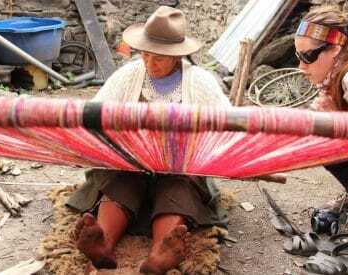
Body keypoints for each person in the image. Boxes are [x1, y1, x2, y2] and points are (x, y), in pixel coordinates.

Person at [67, 6, 231, 274]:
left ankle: (160, 254)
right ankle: (103, 242)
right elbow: (95, 114)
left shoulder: (199, 82)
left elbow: (227, 125)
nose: (149, 63)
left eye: (159, 58)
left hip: (180, 166)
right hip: (131, 161)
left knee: (178, 190)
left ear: (177, 57)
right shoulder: (129, 76)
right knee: (120, 182)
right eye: (145, 54)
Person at [294, 6, 348, 214]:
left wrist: (338, 120)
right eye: (298, 56)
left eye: (308, 56)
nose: (301, 66)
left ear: (334, 49)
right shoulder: (338, 74)